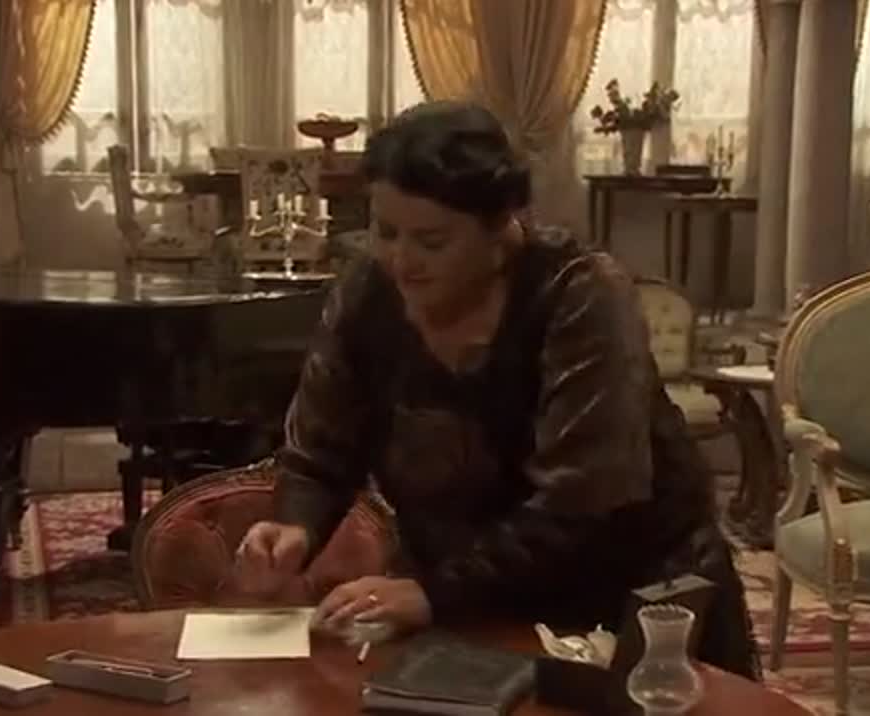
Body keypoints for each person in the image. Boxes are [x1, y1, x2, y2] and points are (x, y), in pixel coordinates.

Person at [232, 100, 761, 679]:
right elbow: (322, 452)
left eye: (432, 241)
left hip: (628, 603)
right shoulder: (368, 292)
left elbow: (581, 503)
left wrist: (435, 593)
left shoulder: (578, 295)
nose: (401, 261)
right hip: (463, 601)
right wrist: (296, 525)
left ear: (499, 227)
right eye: (386, 232)